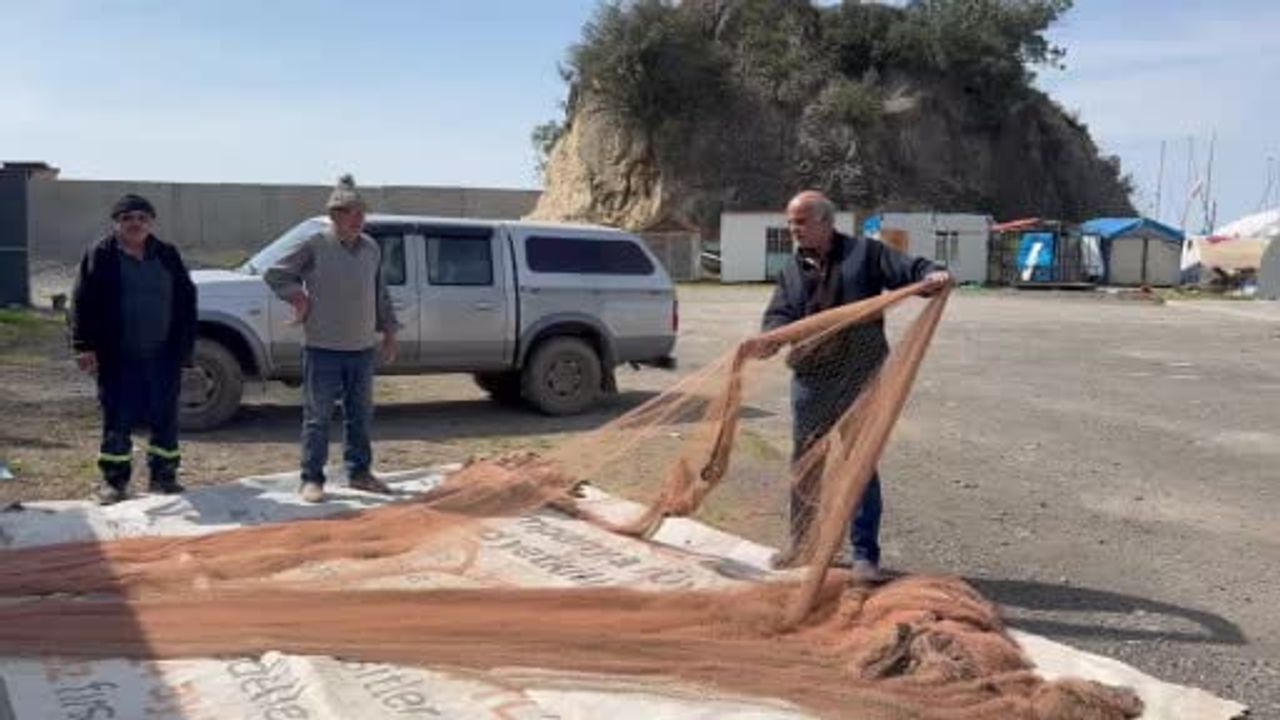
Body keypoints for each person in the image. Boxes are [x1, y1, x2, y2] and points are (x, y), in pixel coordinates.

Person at [761, 190, 951, 579]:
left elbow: (911, 269)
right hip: (811, 382)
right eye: (791, 222)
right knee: (806, 465)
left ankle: (865, 555)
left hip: (860, 379)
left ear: (825, 222)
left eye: (800, 222)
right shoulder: (791, 270)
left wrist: (933, 274)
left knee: (860, 464)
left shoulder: (865, 254)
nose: (793, 229)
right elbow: (779, 314)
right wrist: (771, 337)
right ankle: (802, 544)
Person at [265, 175, 399, 503]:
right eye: (353, 212)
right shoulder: (315, 244)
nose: (359, 218)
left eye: (362, 213)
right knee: (318, 417)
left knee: (360, 415)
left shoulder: (371, 248)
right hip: (322, 348)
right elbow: (276, 274)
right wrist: (299, 297)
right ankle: (312, 479)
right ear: (335, 215)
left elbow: (380, 293)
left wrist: (390, 332)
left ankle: (360, 473)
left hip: (361, 349)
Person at [71, 194, 197, 505]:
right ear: (116, 223)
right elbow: (82, 301)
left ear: (151, 222)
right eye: (127, 218)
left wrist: (184, 349)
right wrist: (84, 345)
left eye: (142, 217)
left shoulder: (167, 254)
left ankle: (164, 476)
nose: (135, 223)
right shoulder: (101, 255)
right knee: (118, 419)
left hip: (162, 356)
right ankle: (114, 482)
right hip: (118, 356)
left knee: (164, 418)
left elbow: (186, 301)